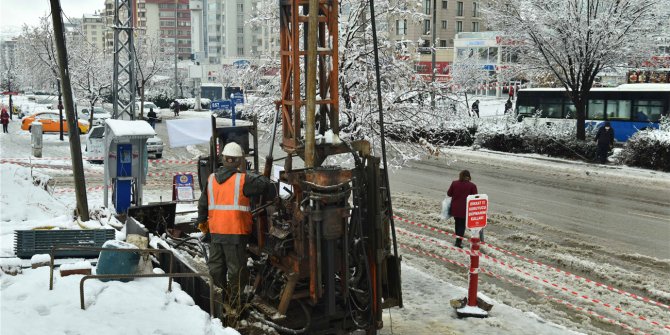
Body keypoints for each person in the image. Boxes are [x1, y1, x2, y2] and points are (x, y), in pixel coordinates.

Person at [196, 142, 275, 306]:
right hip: (236, 233)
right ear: (239, 161)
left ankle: (220, 300)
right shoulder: (243, 180)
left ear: (223, 159)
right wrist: (253, 174)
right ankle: (235, 303)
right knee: (236, 270)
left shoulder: (211, 179)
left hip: (216, 232)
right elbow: (266, 184)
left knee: (216, 267)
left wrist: (202, 222)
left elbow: (202, 204)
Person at [447, 170, 478, 248]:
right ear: (469, 176)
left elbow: (449, 193)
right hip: (465, 210)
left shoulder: (454, 183)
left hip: (455, 208)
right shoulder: (472, 186)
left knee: (457, 224)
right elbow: (475, 198)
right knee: (462, 226)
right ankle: (458, 242)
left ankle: (458, 240)